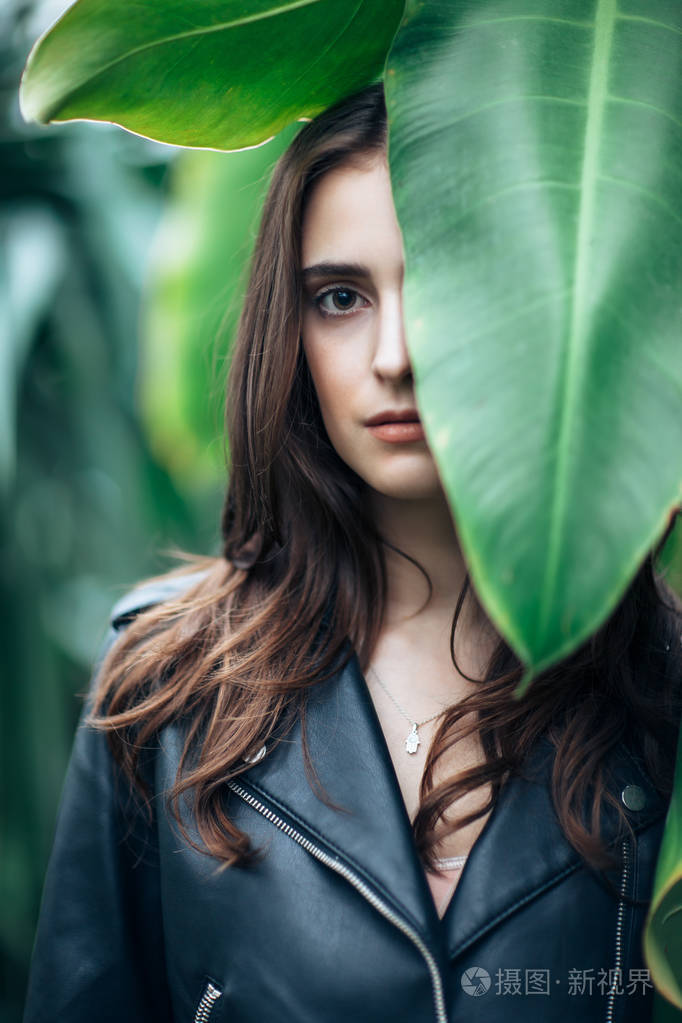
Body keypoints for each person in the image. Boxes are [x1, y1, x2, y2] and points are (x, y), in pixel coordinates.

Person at [23, 82, 682, 1023]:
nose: (395, 354)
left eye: (444, 288)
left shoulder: (661, 687)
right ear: (288, 333)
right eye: (340, 297)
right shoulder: (163, 688)